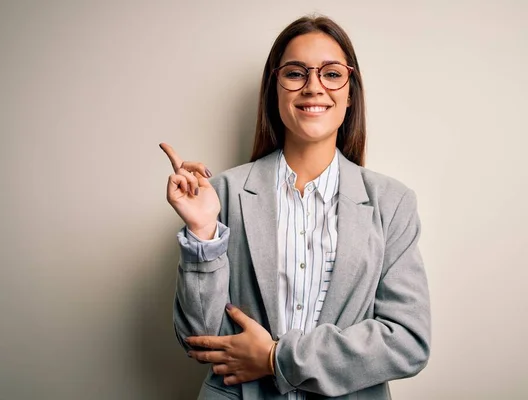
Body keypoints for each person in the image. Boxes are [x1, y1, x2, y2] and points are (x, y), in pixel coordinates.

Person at [160, 15, 431, 400]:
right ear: (275, 89)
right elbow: (199, 339)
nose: (313, 86)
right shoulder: (224, 192)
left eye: (332, 73)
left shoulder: (393, 203)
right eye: (295, 73)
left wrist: (276, 358)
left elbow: (407, 341)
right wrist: (203, 232)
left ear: (350, 92)